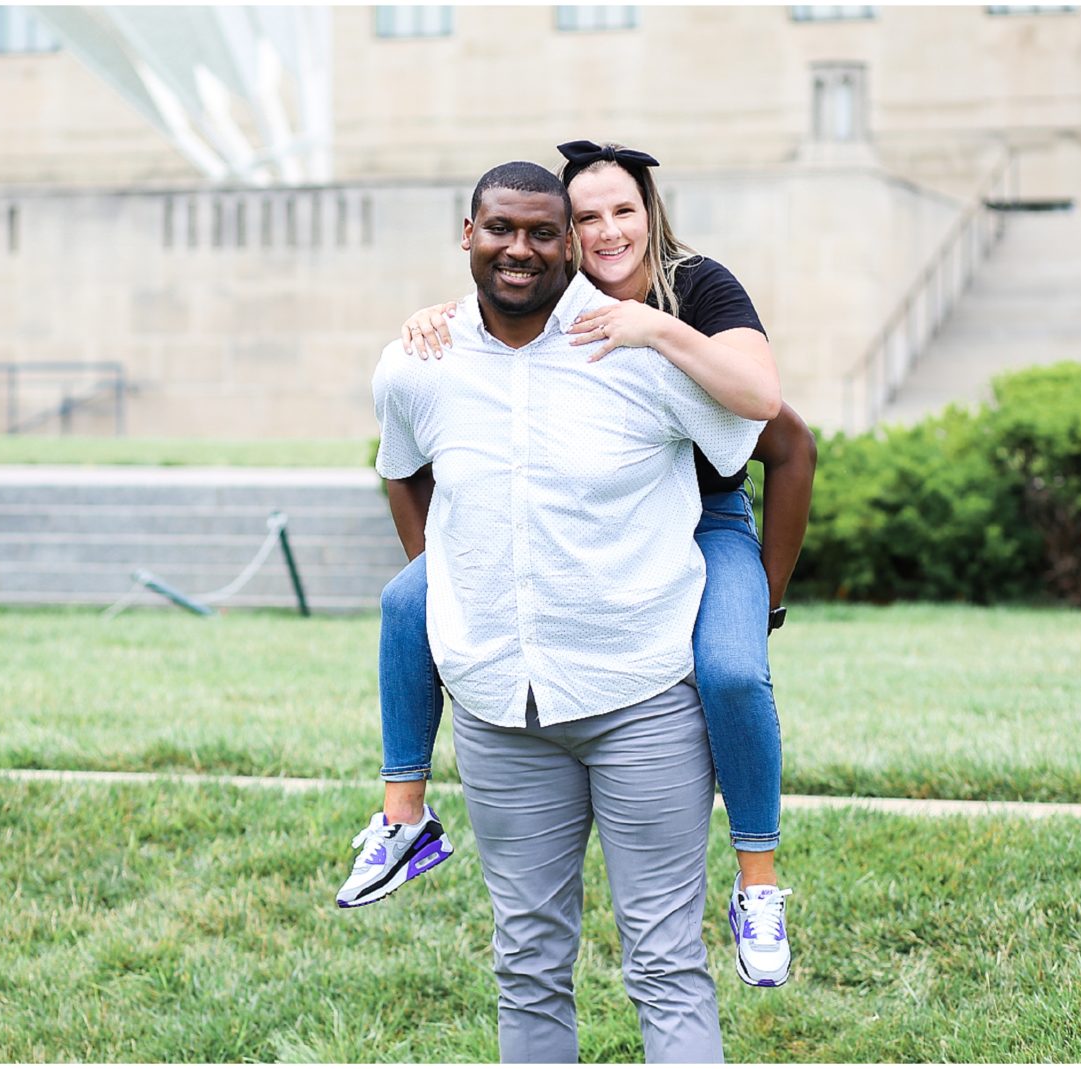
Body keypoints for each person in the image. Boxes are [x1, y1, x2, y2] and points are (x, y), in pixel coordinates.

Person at [338, 141, 817, 993]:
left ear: (650, 214)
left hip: (707, 517)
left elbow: (776, 423)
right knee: (406, 602)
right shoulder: (561, 300)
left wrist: (766, 596)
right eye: (585, 217)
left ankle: (759, 881)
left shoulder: (696, 286)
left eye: (621, 211)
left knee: (735, 670)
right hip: (588, 531)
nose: (603, 231)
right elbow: (488, 317)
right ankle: (404, 814)